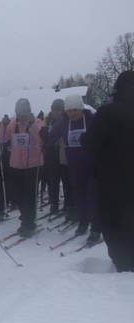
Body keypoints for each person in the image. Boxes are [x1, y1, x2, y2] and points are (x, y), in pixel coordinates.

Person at [83, 70, 134, 271]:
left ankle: (124, 264)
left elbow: (90, 144)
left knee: (114, 220)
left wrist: (82, 139)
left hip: (113, 179)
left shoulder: (107, 113)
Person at [56, 94, 101, 241]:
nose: (73, 113)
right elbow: (51, 136)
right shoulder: (63, 122)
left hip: (91, 166)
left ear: (81, 108)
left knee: (92, 196)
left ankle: (96, 227)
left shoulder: (91, 119)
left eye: (75, 110)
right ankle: (83, 222)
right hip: (74, 166)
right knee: (79, 195)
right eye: (69, 110)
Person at [1, 98, 43, 237]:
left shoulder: (36, 123)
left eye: (24, 113)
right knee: (18, 195)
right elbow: (2, 139)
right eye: (20, 113)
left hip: (32, 164)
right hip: (16, 164)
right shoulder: (13, 124)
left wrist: (32, 126)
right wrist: (3, 126)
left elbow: (40, 139)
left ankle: (29, 222)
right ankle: (25, 217)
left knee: (30, 195)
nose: (22, 117)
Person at [42, 99, 72, 216]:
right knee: (52, 181)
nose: (56, 112)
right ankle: (54, 203)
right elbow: (42, 133)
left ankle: (68, 203)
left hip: (63, 154)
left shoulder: (67, 120)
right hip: (51, 155)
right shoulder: (47, 120)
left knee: (66, 181)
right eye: (54, 110)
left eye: (59, 110)